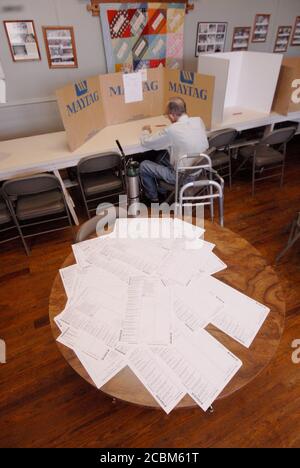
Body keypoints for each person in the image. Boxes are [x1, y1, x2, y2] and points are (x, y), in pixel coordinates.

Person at [139, 97, 209, 202]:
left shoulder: (172, 130)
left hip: (182, 177)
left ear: (172, 115)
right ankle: (162, 190)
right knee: (161, 158)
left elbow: (147, 142)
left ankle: (152, 198)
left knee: (143, 165)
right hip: (200, 169)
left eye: (167, 115)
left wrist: (145, 131)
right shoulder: (198, 121)